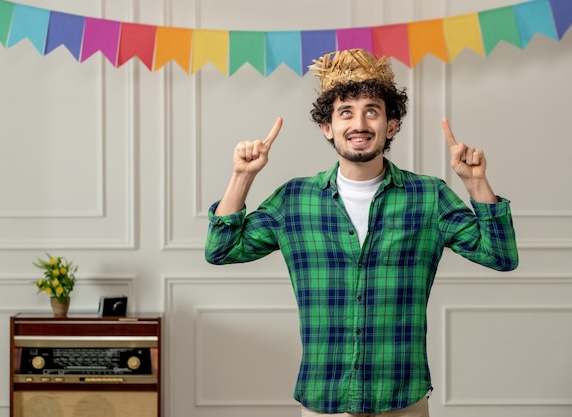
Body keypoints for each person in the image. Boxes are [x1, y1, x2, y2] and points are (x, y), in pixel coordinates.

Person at [204, 49, 518, 417]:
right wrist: (243, 175)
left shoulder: (429, 197)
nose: (360, 123)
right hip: (325, 399)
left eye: (372, 110)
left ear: (391, 125)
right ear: (328, 127)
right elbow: (220, 250)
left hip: (403, 398)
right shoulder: (295, 199)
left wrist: (476, 183)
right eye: (346, 112)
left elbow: (501, 257)